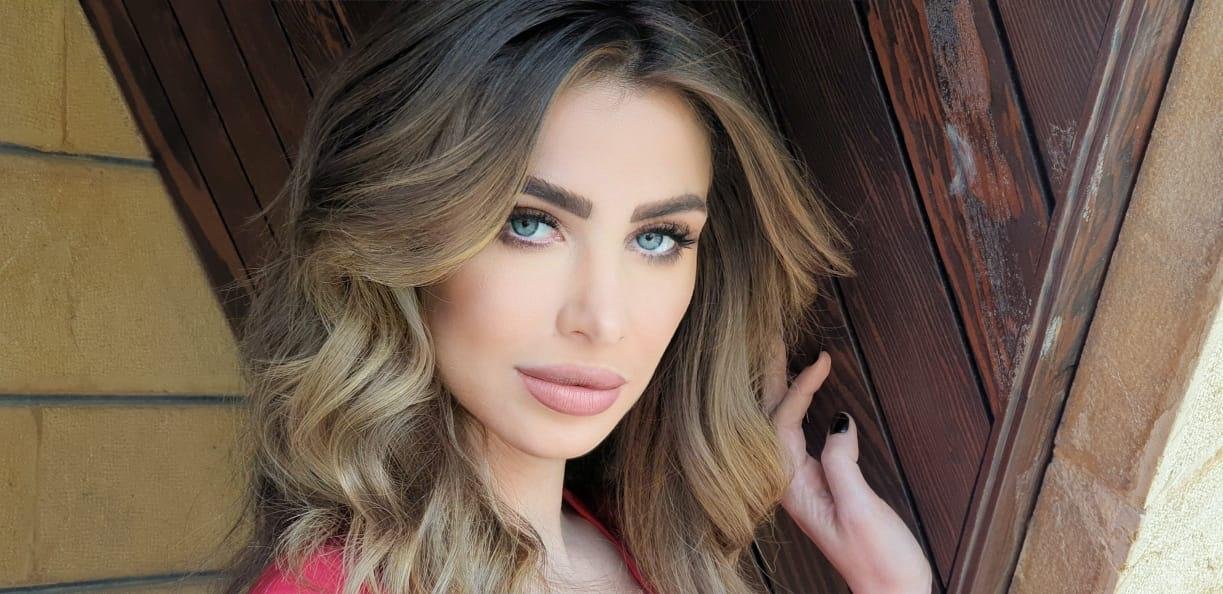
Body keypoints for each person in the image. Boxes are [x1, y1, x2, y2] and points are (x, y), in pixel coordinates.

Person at [219, 1, 932, 592]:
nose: (605, 319)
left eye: (657, 238)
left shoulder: (640, 555)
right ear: (400, 237)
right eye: (528, 224)